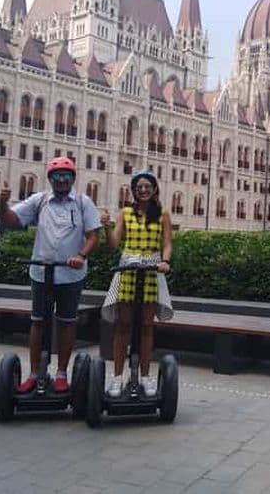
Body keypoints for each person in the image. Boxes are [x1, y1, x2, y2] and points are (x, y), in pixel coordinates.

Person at [0, 157, 101, 393]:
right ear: (50, 179)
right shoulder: (40, 200)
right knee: (38, 322)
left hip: (70, 274)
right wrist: (2, 203)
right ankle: (34, 373)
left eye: (66, 176)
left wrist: (81, 256)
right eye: (57, 176)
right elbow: (11, 219)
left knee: (66, 322)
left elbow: (94, 236)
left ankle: (62, 372)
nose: (61, 180)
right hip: (41, 272)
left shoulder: (83, 202)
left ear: (73, 179)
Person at [100, 169, 172, 397]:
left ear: (154, 190)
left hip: (151, 268)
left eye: (147, 187)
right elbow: (113, 245)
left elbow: (167, 243)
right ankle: (118, 377)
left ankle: (145, 376)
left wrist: (165, 261)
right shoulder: (125, 213)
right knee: (123, 325)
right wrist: (106, 227)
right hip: (129, 267)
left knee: (147, 327)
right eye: (139, 187)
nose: (143, 190)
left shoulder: (163, 214)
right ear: (133, 190)